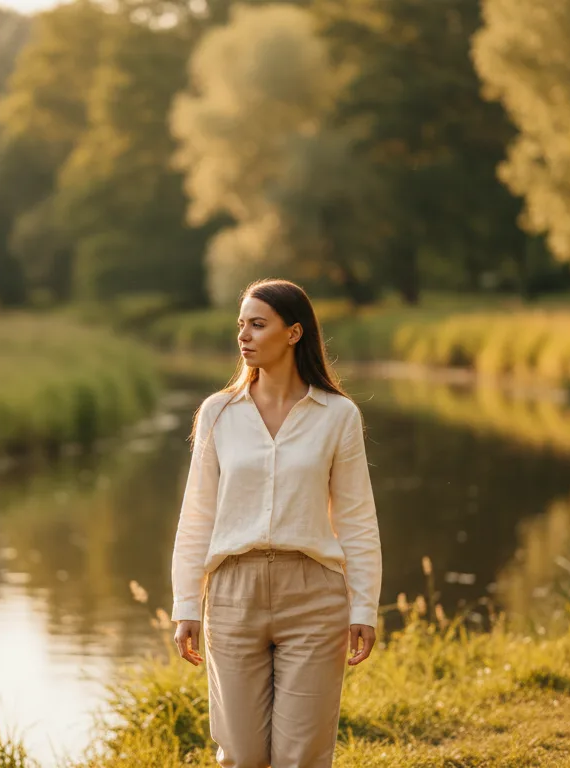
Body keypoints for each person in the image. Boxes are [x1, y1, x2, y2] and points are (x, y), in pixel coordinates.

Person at [170, 278, 383, 768]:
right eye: (241, 325)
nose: (244, 336)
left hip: (314, 596)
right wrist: (186, 602)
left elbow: (355, 519)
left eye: (257, 325)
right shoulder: (217, 413)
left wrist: (363, 608)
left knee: (302, 757)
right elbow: (197, 514)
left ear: (293, 333)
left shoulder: (338, 415)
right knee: (241, 756)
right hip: (232, 593)